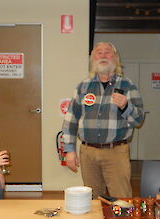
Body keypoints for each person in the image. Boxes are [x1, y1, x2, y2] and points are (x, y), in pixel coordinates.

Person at [62, 42, 144, 199]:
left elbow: (138, 119)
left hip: (116, 152)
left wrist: (125, 106)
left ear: (115, 58)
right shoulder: (83, 87)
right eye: (99, 53)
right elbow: (70, 120)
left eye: (108, 52)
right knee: (92, 200)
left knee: (122, 200)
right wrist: (70, 150)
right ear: (93, 59)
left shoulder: (127, 85)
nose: (104, 55)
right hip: (88, 153)